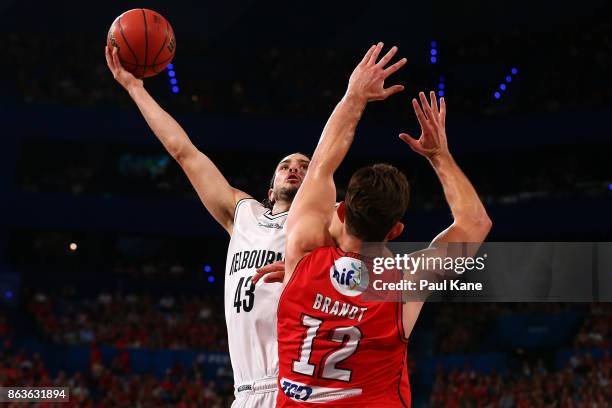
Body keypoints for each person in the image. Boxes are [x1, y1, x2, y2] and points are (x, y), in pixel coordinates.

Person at [274, 43, 492, 406]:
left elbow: (321, 166)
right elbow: (475, 222)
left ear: (341, 212)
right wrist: (439, 155)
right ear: (396, 231)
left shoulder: (302, 251)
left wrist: (354, 96)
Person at [105, 46, 311, 407]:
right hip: (245, 392)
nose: (294, 167)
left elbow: (381, 266)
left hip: (295, 388)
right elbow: (183, 151)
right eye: (285, 164)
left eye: (305, 165)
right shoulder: (242, 213)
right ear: (269, 187)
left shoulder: (327, 225)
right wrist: (135, 88)